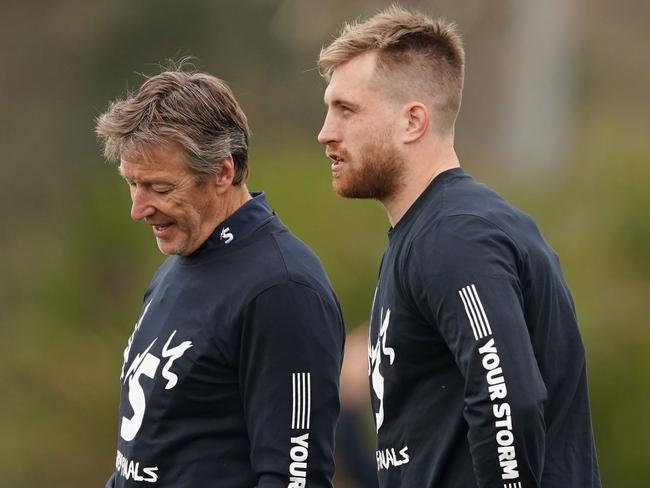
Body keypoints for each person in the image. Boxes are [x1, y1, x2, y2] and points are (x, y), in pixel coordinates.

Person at [317, 6, 601, 488]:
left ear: (412, 121)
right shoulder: (425, 234)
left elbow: (507, 399)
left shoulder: (455, 236)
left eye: (347, 109)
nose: (326, 132)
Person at [95, 65, 344, 487]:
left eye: (158, 187)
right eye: (132, 184)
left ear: (223, 172)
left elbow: (294, 477)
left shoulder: (283, 290)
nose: (138, 209)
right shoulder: (178, 263)